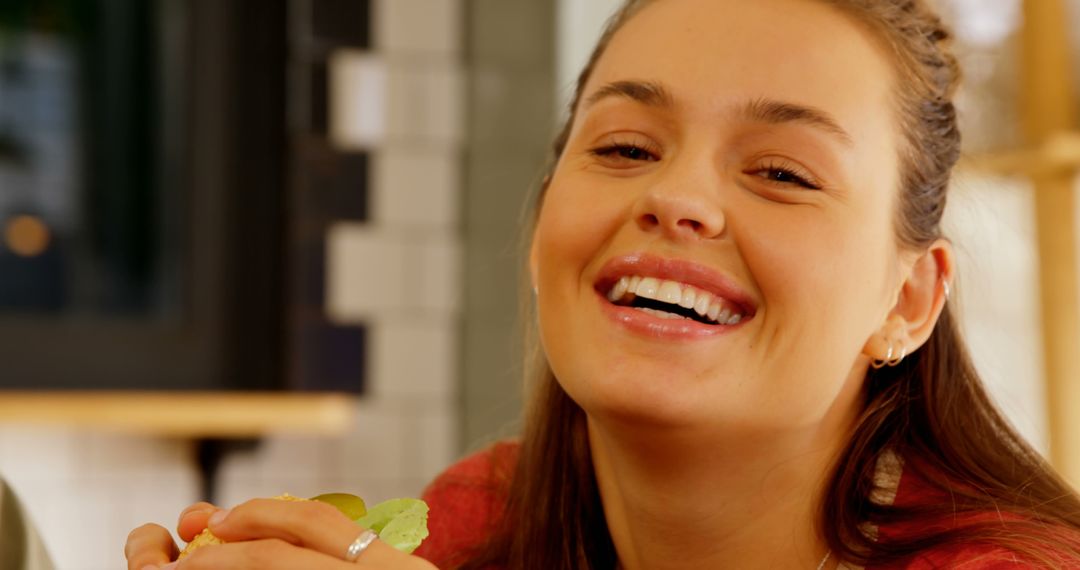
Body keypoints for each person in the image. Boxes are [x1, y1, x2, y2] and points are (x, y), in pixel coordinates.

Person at [126, 0, 1080, 568]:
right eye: (625, 146)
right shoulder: (487, 516)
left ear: (908, 300)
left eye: (782, 172)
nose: (676, 198)